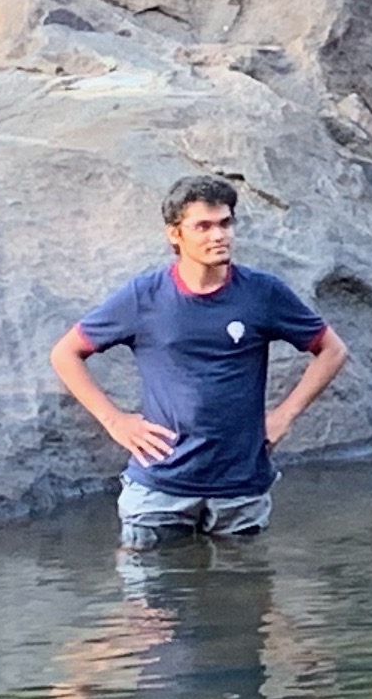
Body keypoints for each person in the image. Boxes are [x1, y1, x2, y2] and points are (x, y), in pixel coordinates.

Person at [52, 174, 349, 550]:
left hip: (240, 489)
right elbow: (65, 353)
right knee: (147, 587)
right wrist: (114, 421)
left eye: (225, 223)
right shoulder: (144, 297)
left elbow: (332, 350)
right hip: (160, 487)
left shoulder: (263, 293)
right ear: (174, 234)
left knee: (243, 587)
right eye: (203, 226)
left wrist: (284, 415)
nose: (219, 235)